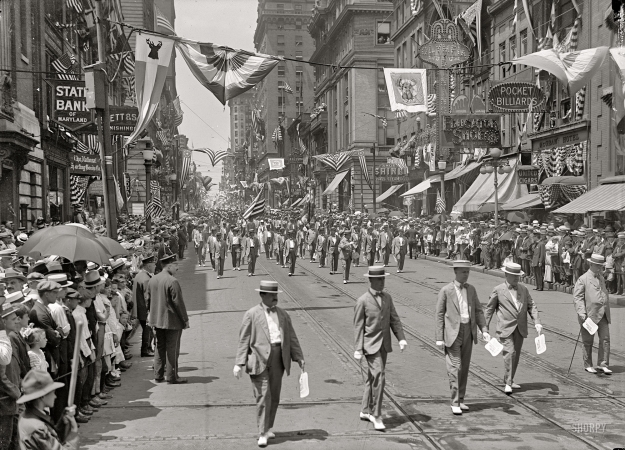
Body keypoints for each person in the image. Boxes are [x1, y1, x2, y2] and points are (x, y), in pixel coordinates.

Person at [233, 280, 305, 448]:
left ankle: (267, 426)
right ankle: (262, 432)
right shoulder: (251, 314)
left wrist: (299, 357)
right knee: (263, 396)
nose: (275, 298)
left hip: (279, 357)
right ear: (262, 295)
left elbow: (291, 338)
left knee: (274, 396)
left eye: (276, 295)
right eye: (271, 295)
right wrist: (239, 363)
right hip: (259, 359)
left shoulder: (283, 314)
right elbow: (243, 339)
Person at [353, 266, 407, 430]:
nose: (382, 282)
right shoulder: (362, 300)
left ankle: (364, 410)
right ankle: (376, 415)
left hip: (384, 344)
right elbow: (358, 326)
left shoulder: (388, 298)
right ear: (371, 280)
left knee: (372, 378)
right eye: (379, 279)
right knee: (379, 376)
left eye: (383, 278)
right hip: (370, 345)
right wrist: (358, 348)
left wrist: (401, 338)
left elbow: (394, 319)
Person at [435, 260, 490, 415]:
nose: (466, 275)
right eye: (463, 272)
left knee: (464, 367)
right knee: (455, 366)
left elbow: (478, 311)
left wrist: (484, 329)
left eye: (468, 272)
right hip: (453, 333)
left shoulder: (471, 290)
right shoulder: (446, 290)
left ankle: (460, 398)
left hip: (468, 331)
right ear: (456, 272)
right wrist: (439, 337)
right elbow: (439, 314)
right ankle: (454, 402)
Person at [484, 262, 542, 394]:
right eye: (514, 276)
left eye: (518, 276)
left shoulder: (523, 289)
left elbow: (531, 305)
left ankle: (509, 379)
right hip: (505, 327)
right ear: (506, 275)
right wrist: (484, 328)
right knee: (509, 353)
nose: (517, 279)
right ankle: (508, 383)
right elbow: (489, 310)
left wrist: (537, 321)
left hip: (520, 328)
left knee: (515, 354)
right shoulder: (498, 290)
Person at [148, 254, 189, 384]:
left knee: (160, 347)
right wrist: (185, 320)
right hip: (171, 321)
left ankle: (158, 375)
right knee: (172, 349)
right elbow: (179, 303)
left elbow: (148, 300)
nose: (177, 268)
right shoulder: (172, 281)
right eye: (175, 265)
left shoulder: (153, 279)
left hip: (156, 320)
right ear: (169, 266)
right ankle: (172, 376)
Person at [17, 369, 79, 449]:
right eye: (52, 392)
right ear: (42, 396)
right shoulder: (38, 428)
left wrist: (63, 421)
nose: (55, 396)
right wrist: (73, 430)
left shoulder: (27, 415)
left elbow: (52, 436)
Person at [573, 253, 612, 374]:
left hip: (603, 314)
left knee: (605, 339)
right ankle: (588, 364)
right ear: (591, 264)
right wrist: (582, 313)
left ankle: (603, 363)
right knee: (588, 341)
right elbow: (577, 298)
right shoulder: (583, 279)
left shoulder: (601, 277)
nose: (600, 268)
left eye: (601, 266)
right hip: (589, 315)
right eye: (597, 266)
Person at [133, 255, 156, 357]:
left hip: (139, 308)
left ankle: (148, 348)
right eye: (153, 264)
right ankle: (145, 349)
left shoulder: (140, 275)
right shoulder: (146, 279)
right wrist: (149, 311)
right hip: (144, 310)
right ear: (148, 266)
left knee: (147, 329)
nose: (155, 266)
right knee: (148, 330)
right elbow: (147, 297)